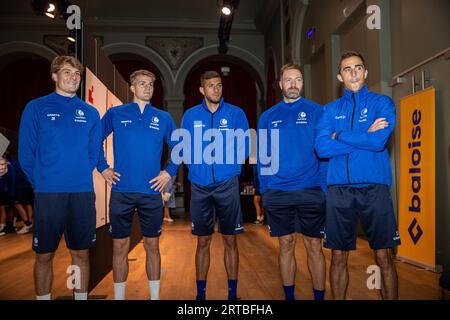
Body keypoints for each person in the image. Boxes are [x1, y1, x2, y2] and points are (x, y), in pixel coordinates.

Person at [315, 51, 400, 300]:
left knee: (384, 255)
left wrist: (339, 135)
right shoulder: (329, 111)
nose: (353, 72)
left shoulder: (382, 103)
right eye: (347, 69)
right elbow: (321, 148)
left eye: (358, 67)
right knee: (338, 256)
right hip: (339, 191)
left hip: (375, 189)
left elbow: (378, 142)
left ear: (366, 72)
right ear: (340, 76)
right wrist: (365, 132)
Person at [18, 56, 102, 300]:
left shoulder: (90, 112)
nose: (73, 77)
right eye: (67, 72)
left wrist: (77, 174)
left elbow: (92, 152)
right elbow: (26, 154)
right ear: (54, 76)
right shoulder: (36, 107)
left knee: (81, 253)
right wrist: (43, 182)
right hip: (48, 193)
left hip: (82, 193)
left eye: (76, 74)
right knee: (44, 255)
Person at [97, 69, 178, 300]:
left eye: (151, 84)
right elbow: (94, 140)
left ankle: (154, 297)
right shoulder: (116, 113)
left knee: (152, 247)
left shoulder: (163, 117)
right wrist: (103, 167)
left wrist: (169, 172)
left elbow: (181, 148)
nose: (147, 88)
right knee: (120, 247)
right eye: (142, 83)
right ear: (132, 88)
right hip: (121, 192)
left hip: (151, 192)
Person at [257, 63, 327, 300]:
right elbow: (263, 155)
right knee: (286, 245)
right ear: (280, 84)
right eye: (288, 80)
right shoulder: (268, 116)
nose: (293, 84)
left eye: (298, 79)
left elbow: (325, 153)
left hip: (310, 191)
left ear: (303, 83)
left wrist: (324, 188)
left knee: (314, 247)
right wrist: (264, 190)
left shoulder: (317, 112)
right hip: (278, 192)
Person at [181, 70, 249, 300]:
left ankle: (232, 294)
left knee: (230, 239)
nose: (216, 89)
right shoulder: (190, 115)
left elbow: (245, 145)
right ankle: (201, 295)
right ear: (202, 89)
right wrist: (196, 169)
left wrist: (231, 169)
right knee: (203, 241)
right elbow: (184, 147)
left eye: (219, 85)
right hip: (200, 187)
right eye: (211, 86)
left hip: (227, 185)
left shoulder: (235, 113)